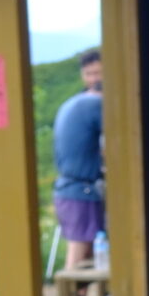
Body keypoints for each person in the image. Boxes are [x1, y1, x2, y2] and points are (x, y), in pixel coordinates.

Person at [51, 49, 105, 259]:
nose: (94, 79)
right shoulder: (95, 104)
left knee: (88, 251)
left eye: (99, 73)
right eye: (89, 74)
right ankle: (71, 293)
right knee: (80, 252)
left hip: (69, 190)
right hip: (81, 189)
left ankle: (76, 293)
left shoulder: (74, 102)